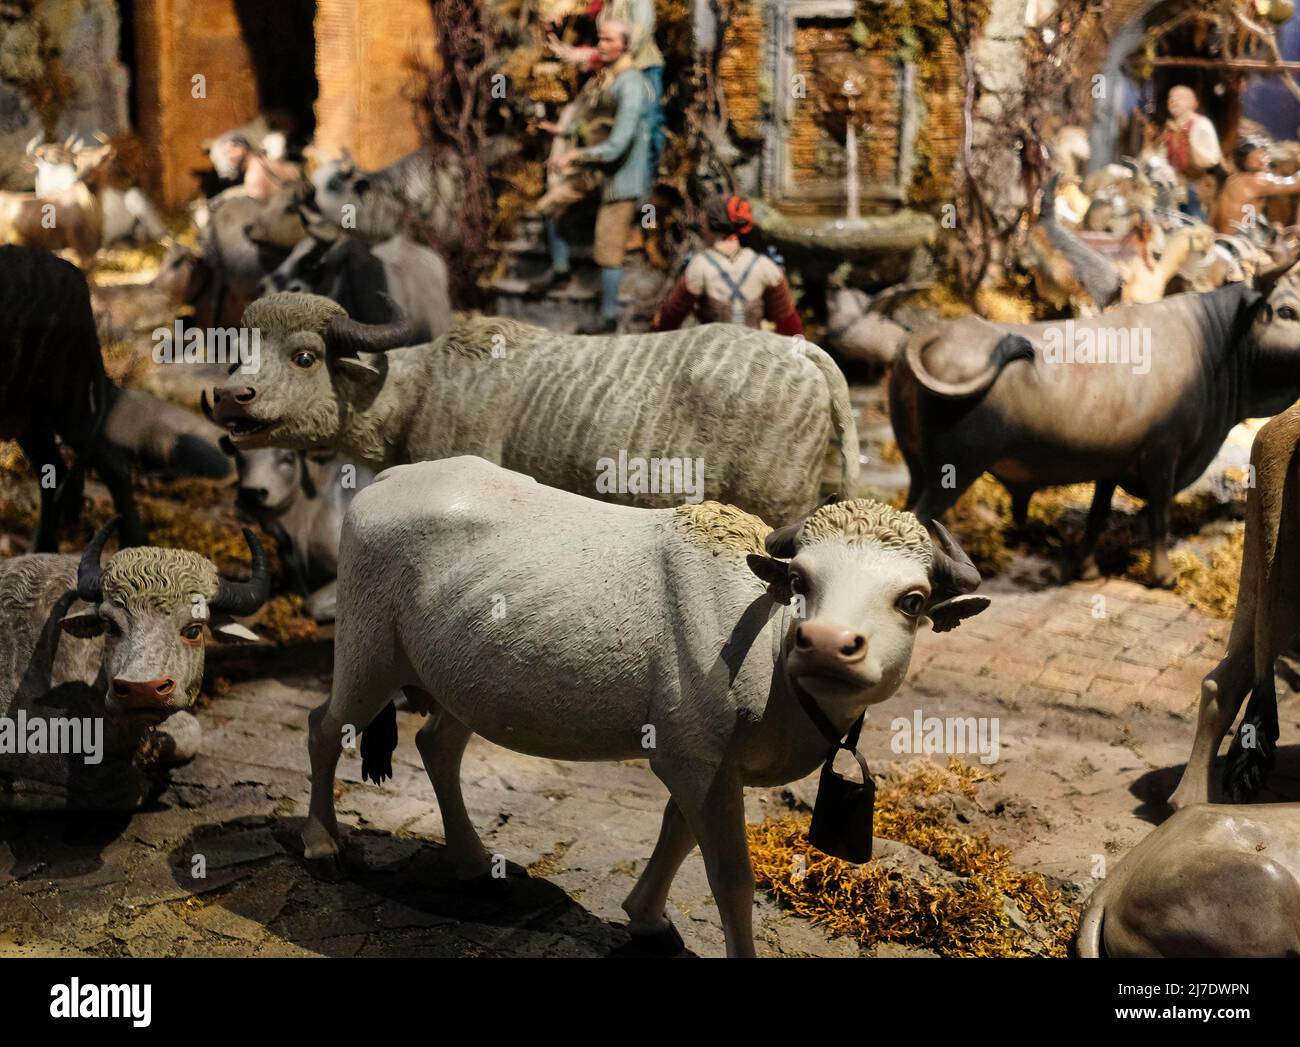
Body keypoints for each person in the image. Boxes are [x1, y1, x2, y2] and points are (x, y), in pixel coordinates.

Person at [536, 20, 651, 334]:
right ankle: (560, 269)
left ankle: (609, 316)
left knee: (607, 247)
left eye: (607, 39)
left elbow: (616, 145)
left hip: (619, 176)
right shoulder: (608, 79)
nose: (601, 45)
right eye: (599, 39)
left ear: (624, 45)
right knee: (550, 206)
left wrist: (576, 155)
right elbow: (595, 122)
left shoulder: (631, 83)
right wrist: (565, 131)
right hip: (595, 171)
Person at [652, 194, 803, 335]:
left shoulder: (700, 266)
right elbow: (790, 325)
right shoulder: (765, 266)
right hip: (754, 351)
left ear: (708, 225)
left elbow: (669, 320)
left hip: (714, 354)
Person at [547, 0, 664, 177]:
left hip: (642, 68)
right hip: (613, 73)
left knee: (647, 127)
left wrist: (594, 55)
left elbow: (638, 34)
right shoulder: (607, 5)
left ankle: (649, 179)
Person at [1156, 85, 1223, 220]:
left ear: (1192, 103)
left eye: (1179, 98)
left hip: (1194, 185)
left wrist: (1186, 142)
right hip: (1171, 185)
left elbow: (1211, 159)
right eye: (1171, 98)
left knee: (1193, 220)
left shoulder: (1201, 124)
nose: (1173, 101)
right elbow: (1161, 156)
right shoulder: (1169, 128)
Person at [1214, 136, 1300, 235]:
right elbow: (1295, 184)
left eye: (1264, 155)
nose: (1266, 160)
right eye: (1261, 156)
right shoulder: (1258, 180)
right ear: (1250, 162)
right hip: (1238, 241)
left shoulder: (1233, 180)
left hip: (1225, 238)